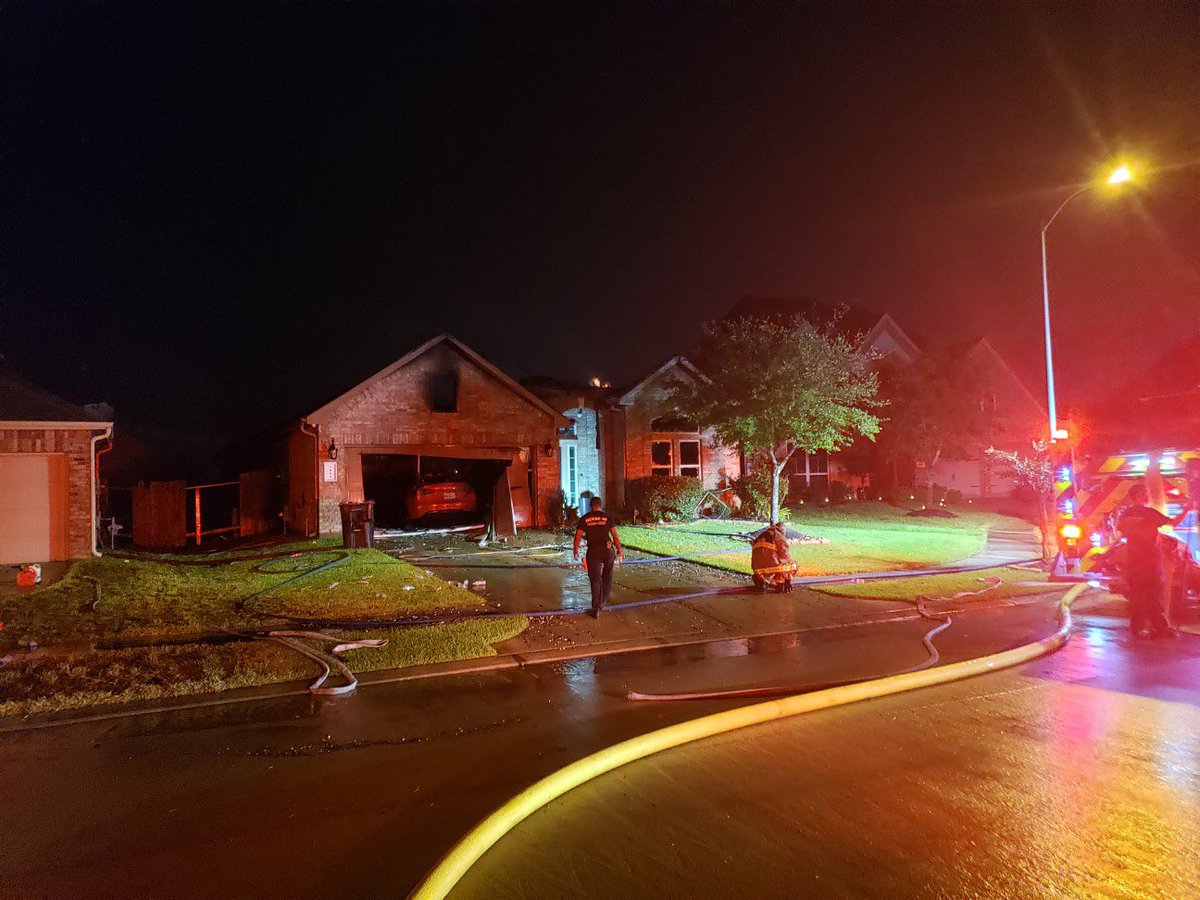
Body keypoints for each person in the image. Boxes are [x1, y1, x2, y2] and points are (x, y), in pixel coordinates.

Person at [1116, 481, 1191, 639]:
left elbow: (1123, 533)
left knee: (1137, 595)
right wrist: (1187, 509)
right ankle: (1158, 627)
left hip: (1133, 561)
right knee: (1154, 595)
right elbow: (1173, 523)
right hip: (1149, 560)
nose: (1148, 495)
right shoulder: (1149, 513)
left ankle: (1138, 628)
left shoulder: (1125, 515)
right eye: (1146, 493)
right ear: (1139, 495)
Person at [573, 496, 623, 618]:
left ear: (591, 506)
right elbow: (615, 536)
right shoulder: (607, 517)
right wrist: (619, 551)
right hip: (607, 550)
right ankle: (603, 601)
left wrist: (576, 550)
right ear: (601, 505)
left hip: (594, 551)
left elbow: (578, 537)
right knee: (607, 575)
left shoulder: (585, 519)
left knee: (595, 580)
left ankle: (595, 608)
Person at [751, 522, 798, 593]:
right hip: (771, 564)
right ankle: (779, 583)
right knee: (792, 565)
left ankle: (764, 580)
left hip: (757, 567)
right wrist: (788, 579)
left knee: (774, 564)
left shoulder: (762, 535)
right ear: (782, 530)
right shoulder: (778, 536)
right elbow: (784, 554)